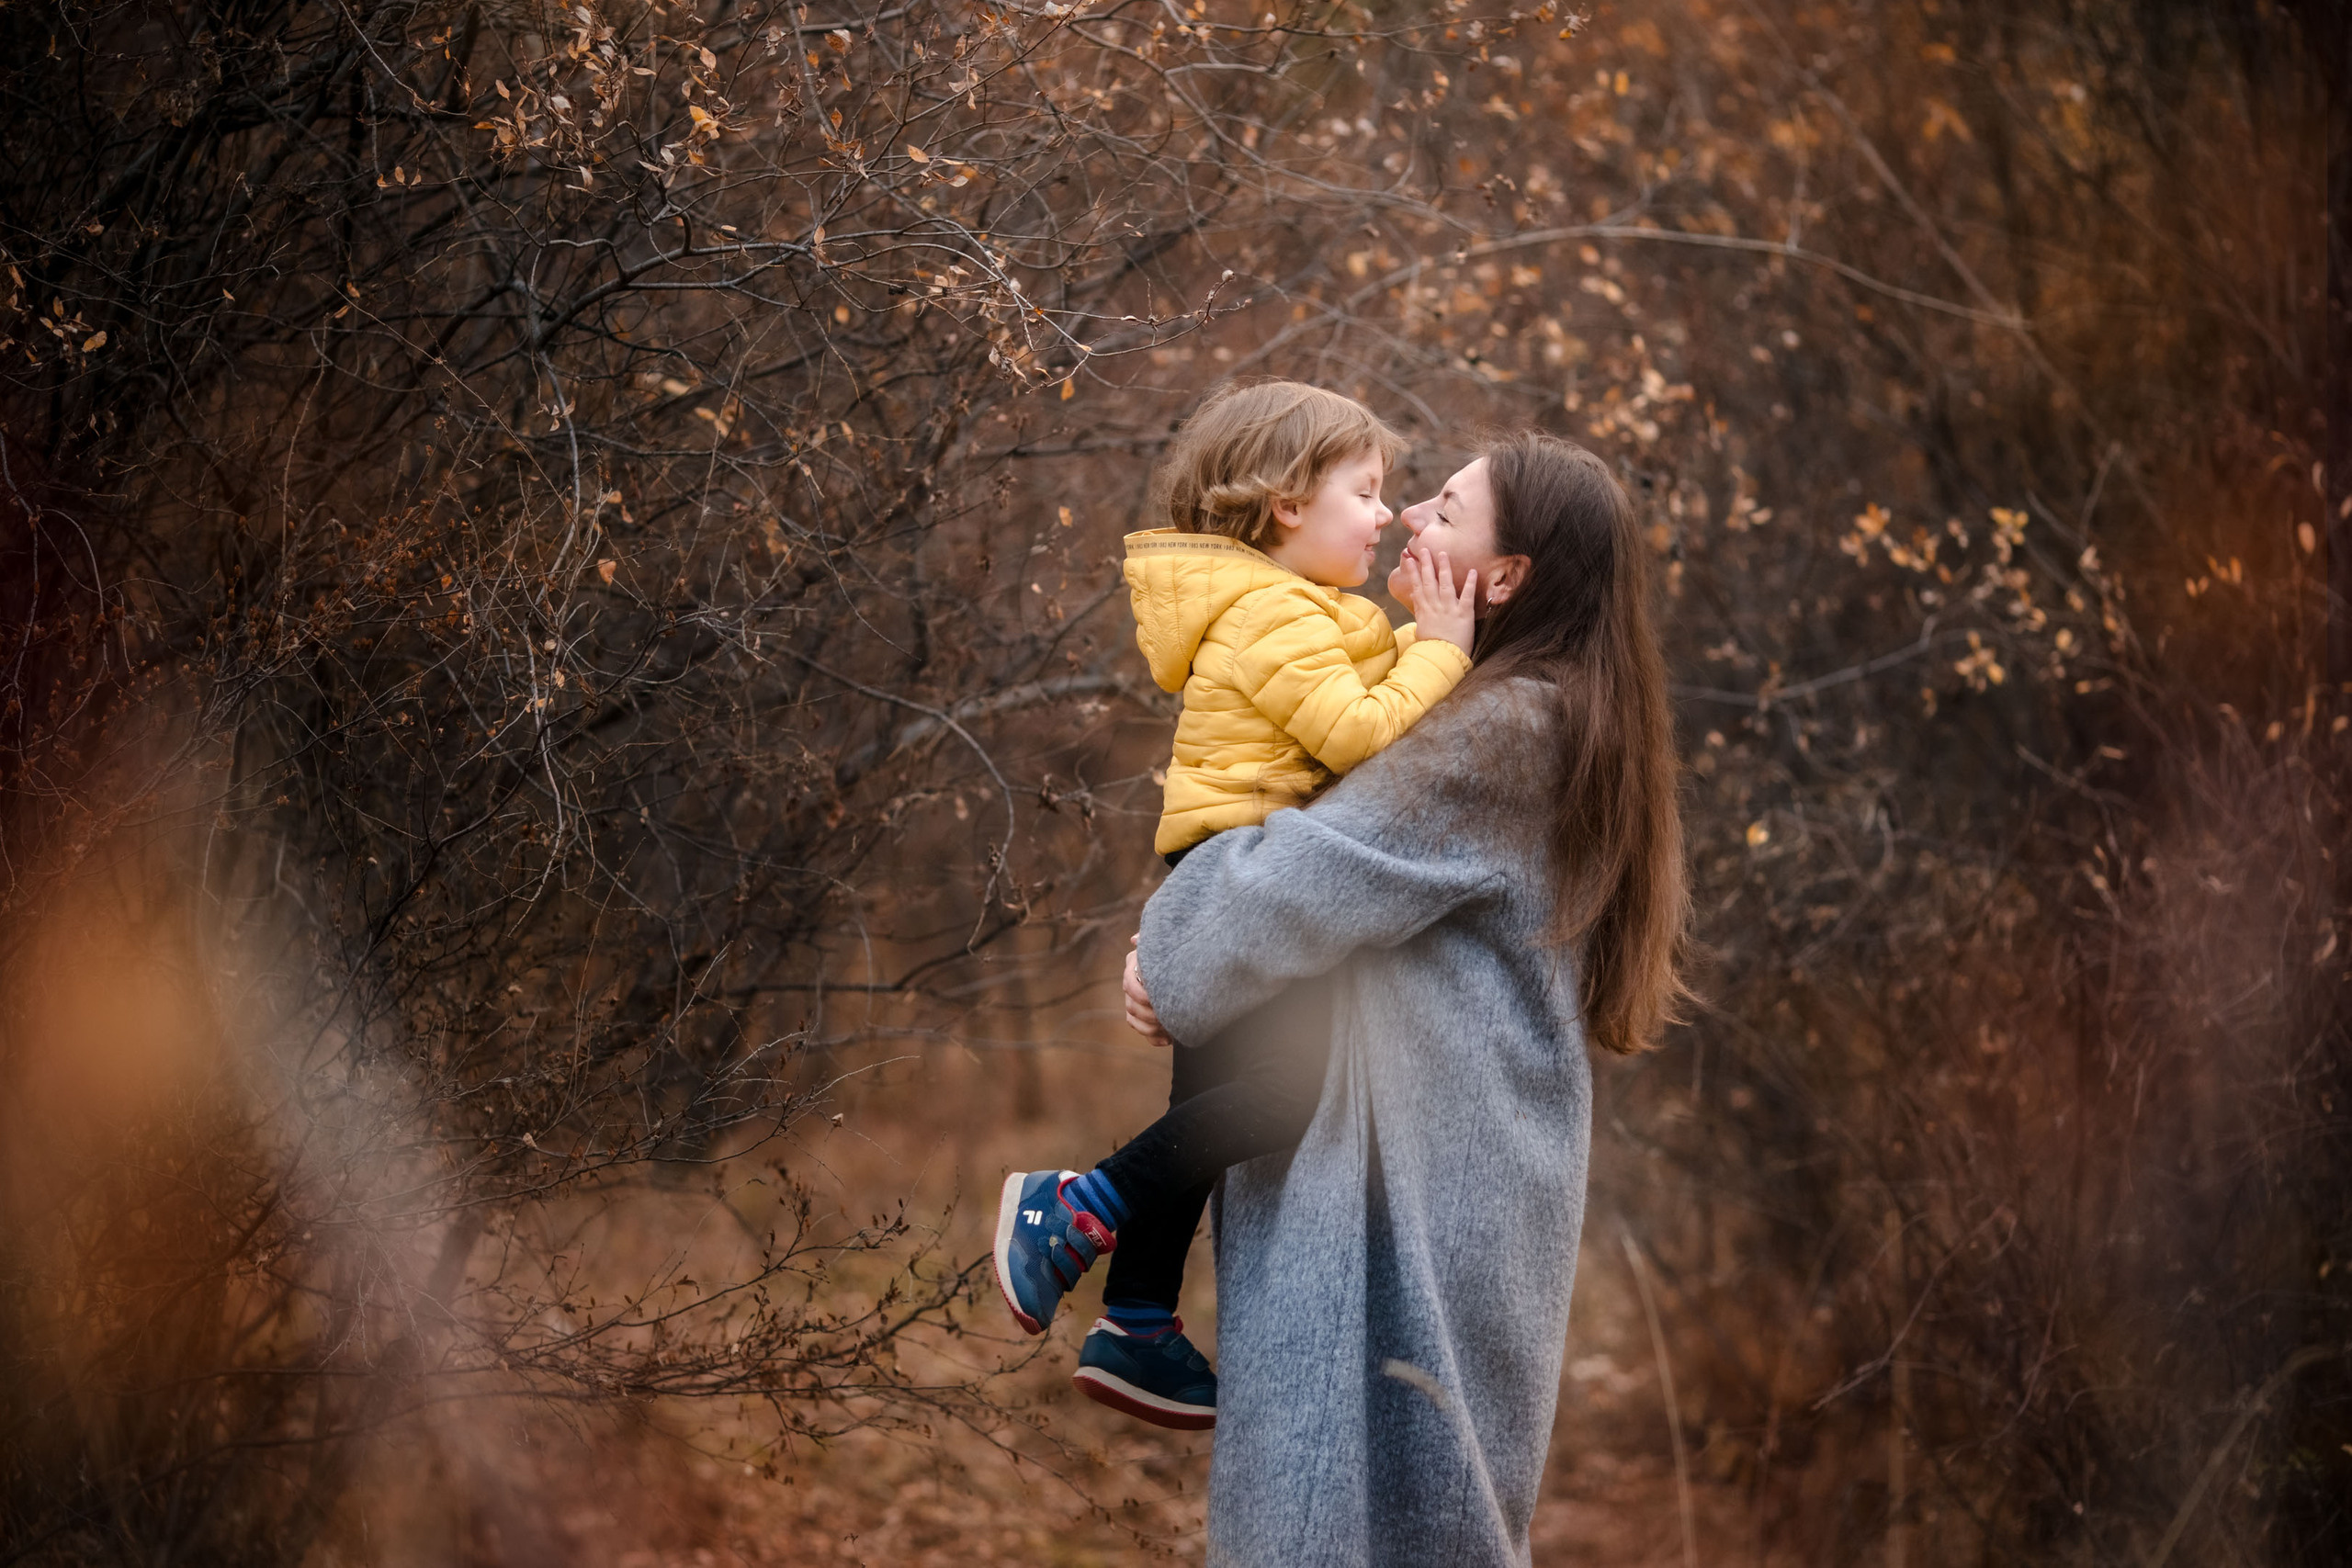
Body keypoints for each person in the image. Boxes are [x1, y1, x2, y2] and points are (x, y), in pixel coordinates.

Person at [1122, 433, 1690, 1564]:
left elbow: (1295, 882)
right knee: (1421, 1517)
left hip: (1407, 1186)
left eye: (1446, 509)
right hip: (1458, 1161)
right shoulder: (1531, 706)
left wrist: (1169, 937)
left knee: (1344, 1522)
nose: (1411, 517)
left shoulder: (1505, 726)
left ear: (1506, 577)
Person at [991, 381, 1480, 1428]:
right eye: (1364, 490)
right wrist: (1442, 646)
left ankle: (1137, 1325)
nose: (1387, 513)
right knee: (1284, 1091)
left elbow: (1347, 698)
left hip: (1232, 864)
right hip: (1246, 867)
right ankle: (1074, 1207)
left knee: (1200, 1113)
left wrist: (1415, 647)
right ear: (1285, 506)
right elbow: (1354, 736)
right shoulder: (1270, 610)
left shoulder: (1294, 612)